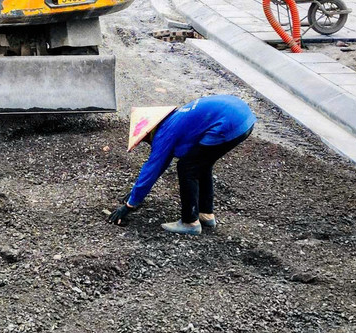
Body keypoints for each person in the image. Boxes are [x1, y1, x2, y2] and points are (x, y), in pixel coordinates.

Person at [107, 95, 256, 235]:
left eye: (145, 140)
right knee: (201, 164)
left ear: (149, 132)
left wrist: (129, 205)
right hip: (242, 116)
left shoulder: (164, 133)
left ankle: (190, 222)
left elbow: (152, 169)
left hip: (229, 122)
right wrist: (136, 194)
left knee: (187, 167)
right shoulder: (174, 119)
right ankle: (206, 214)